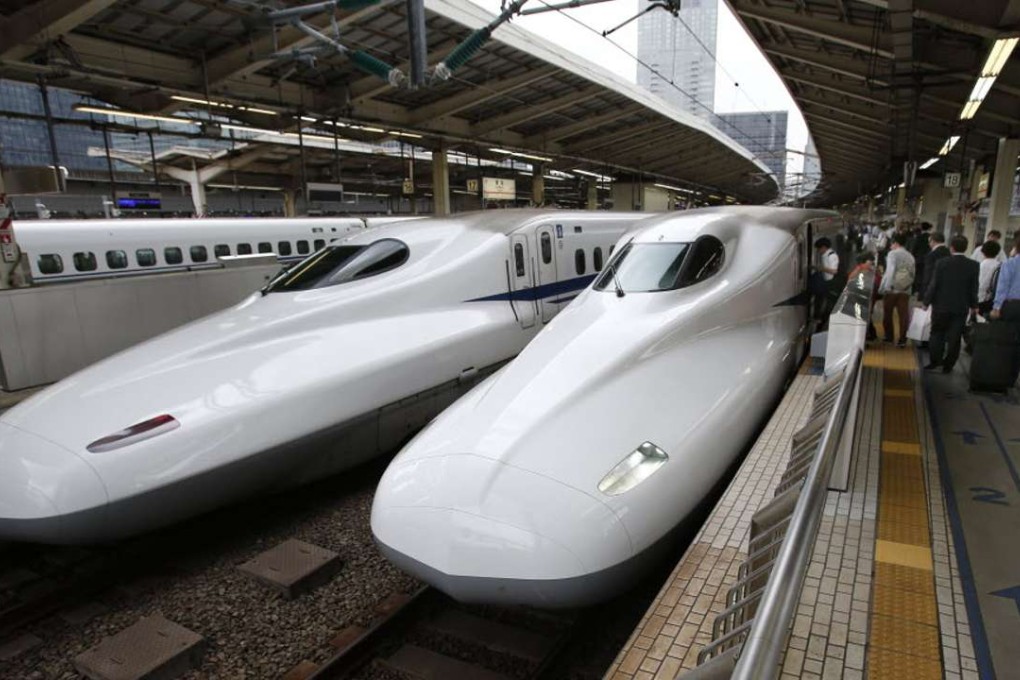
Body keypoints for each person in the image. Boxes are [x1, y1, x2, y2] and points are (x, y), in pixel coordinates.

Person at [923, 235, 979, 373]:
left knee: (937, 333)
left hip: (941, 306)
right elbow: (973, 288)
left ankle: (935, 361)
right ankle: (949, 365)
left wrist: (926, 301)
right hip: (961, 307)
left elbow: (934, 284)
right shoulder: (973, 265)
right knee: (955, 337)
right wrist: (974, 306)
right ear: (966, 248)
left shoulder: (942, 263)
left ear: (951, 247)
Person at [990, 233, 1020, 387]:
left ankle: (1005, 376)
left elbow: (1003, 286)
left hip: (1012, 306)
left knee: (1008, 341)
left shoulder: (1010, 263)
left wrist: (996, 307)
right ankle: (1014, 375)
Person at [879, 233, 916, 346]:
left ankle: (889, 337)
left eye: (891, 243)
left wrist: (885, 287)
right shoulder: (910, 255)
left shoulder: (892, 254)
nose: (890, 246)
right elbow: (912, 273)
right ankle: (902, 340)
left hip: (892, 289)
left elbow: (890, 271)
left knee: (888, 314)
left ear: (895, 243)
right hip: (905, 290)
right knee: (903, 315)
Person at [812, 237, 840, 322]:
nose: (818, 251)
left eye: (819, 249)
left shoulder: (832, 256)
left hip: (831, 282)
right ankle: (818, 317)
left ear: (824, 247)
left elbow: (834, 271)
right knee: (820, 298)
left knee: (829, 303)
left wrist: (821, 269)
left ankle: (823, 320)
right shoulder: (825, 255)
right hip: (825, 281)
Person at [977, 240, 1002, 317]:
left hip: (980, 299)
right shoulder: (1000, 265)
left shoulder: (981, 265)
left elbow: (979, 284)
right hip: (993, 300)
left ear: (983, 252)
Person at [910, 222, 933, 294]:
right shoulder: (931, 237)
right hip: (927, 259)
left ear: (921, 228)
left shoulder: (918, 237)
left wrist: (912, 255)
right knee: (924, 275)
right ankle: (921, 291)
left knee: (916, 274)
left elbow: (914, 248)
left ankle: (914, 290)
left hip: (918, 259)